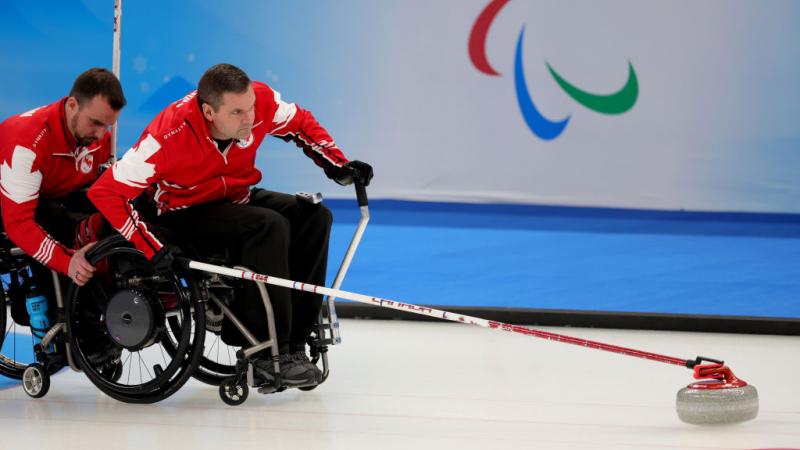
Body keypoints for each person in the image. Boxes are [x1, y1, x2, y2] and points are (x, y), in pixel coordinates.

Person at [88, 63, 372, 387]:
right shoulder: (167, 135)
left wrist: (337, 164)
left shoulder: (260, 101)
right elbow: (106, 192)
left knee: (315, 216)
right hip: (182, 212)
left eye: (250, 107)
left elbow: (300, 124)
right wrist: (149, 246)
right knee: (268, 225)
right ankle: (267, 354)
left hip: (234, 197)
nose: (250, 118)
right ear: (209, 112)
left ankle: (294, 346)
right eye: (237, 112)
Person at [0, 67, 125, 301]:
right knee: (49, 218)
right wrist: (66, 262)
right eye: (95, 122)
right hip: (12, 205)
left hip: (52, 193)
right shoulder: (27, 143)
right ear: (72, 106)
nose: (100, 135)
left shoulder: (98, 139)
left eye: (108, 125)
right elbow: (18, 223)